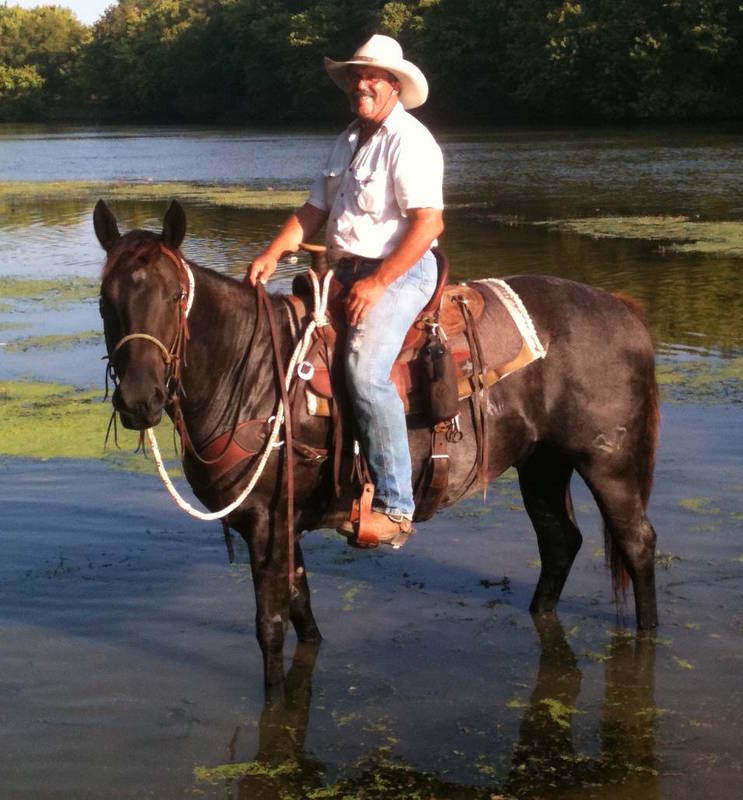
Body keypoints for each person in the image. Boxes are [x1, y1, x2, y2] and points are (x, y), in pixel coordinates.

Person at [248, 34, 444, 543]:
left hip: (401, 271)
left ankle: (397, 507)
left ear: (394, 85)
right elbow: (313, 211)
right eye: (357, 76)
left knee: (362, 370)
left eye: (373, 76)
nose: (363, 83)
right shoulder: (347, 141)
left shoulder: (411, 140)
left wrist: (379, 282)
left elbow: (428, 225)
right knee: (287, 349)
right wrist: (273, 253)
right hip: (344, 271)